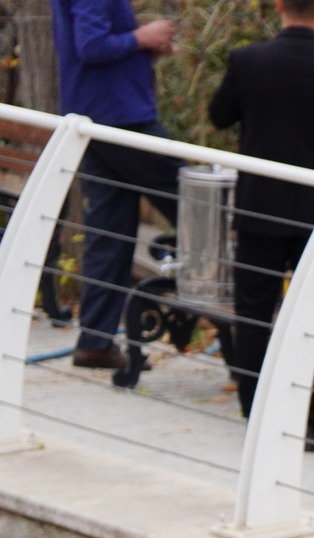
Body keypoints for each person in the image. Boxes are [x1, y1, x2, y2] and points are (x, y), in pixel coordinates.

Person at [208, 0, 314, 450]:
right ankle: (310, 420)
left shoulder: (248, 60)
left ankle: (254, 411)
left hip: (259, 208)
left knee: (253, 313)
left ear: (279, 5)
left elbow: (219, 115)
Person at [51, 0, 180, 370]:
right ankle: (252, 322)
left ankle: (95, 343)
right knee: (198, 203)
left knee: (110, 232)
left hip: (97, 115)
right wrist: (141, 37)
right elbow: (91, 46)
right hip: (119, 118)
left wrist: (141, 47)